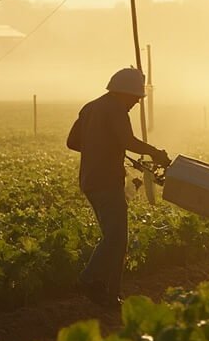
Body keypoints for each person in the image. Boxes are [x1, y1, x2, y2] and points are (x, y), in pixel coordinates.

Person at [67, 67, 171, 304]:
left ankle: (108, 293)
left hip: (89, 180)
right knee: (116, 239)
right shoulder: (116, 109)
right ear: (124, 92)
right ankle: (89, 280)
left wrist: (100, 146)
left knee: (114, 238)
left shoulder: (91, 107)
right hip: (107, 180)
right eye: (135, 97)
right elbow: (127, 141)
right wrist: (154, 152)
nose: (136, 102)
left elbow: (72, 142)